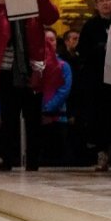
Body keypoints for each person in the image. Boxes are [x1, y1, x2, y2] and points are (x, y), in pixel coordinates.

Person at [0, 0, 60, 171]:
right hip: (7, 71)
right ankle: (8, 159)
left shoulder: (35, 9)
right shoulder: (2, 9)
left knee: (33, 118)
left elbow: (53, 17)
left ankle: (33, 161)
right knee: (9, 118)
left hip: (32, 70)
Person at [76, 0, 111, 169]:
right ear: (96, 5)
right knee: (100, 117)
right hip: (98, 79)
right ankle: (102, 155)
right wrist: (100, 48)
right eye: (101, 0)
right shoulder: (91, 26)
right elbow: (82, 51)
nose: (105, 3)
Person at [40, 29, 72, 166]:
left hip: (58, 117)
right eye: (45, 39)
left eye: (51, 40)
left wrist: (47, 109)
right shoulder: (35, 65)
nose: (48, 43)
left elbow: (64, 90)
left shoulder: (63, 66)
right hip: (37, 118)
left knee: (57, 161)